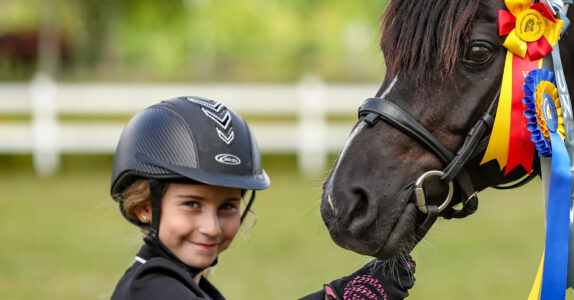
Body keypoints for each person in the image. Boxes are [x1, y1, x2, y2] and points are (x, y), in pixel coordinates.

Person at [110, 97, 415, 300]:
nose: (212, 227)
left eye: (228, 206)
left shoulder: (189, 287)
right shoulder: (148, 288)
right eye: (192, 204)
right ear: (144, 207)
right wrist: (339, 295)